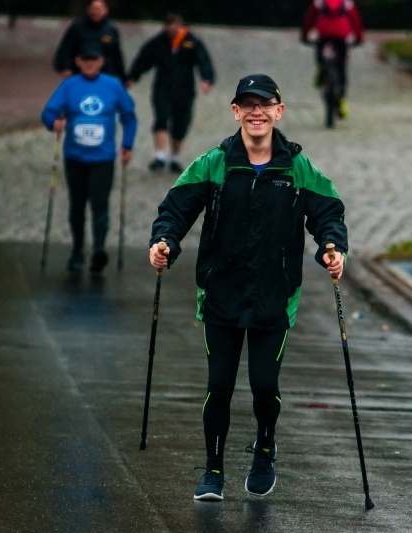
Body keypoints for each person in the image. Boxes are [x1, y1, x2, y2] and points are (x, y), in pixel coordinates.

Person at [147, 74, 348, 502]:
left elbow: (328, 212)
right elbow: (176, 208)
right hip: (220, 293)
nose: (257, 112)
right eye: (248, 104)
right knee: (218, 385)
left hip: (275, 295)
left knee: (263, 385)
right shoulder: (214, 163)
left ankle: (265, 449)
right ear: (236, 111)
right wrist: (164, 241)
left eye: (265, 104)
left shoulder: (297, 168)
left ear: (279, 111)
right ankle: (213, 470)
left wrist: (332, 248)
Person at [41, 41, 137, 275]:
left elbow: (129, 117)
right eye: (85, 60)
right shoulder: (69, 85)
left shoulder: (112, 85)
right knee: (77, 205)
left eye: (94, 60)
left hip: (102, 158)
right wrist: (53, 123)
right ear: (78, 62)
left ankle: (98, 250)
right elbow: (48, 112)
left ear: (101, 62)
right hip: (75, 157)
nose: (90, 64)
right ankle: (76, 251)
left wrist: (127, 144)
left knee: (100, 204)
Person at [126, 13, 215, 174]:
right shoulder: (158, 42)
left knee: (181, 123)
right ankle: (160, 155)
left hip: (185, 89)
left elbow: (203, 60)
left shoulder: (191, 42)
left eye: (174, 24)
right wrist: (132, 76)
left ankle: (175, 157)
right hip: (163, 88)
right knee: (161, 117)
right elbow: (144, 59)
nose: (170, 28)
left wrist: (206, 79)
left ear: (180, 25)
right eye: (167, 25)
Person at [300, 0, 364, 118]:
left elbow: (309, 20)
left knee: (320, 55)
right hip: (341, 35)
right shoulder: (347, 2)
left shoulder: (318, 2)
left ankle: (321, 69)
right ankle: (342, 100)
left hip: (323, 34)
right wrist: (359, 38)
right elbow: (356, 21)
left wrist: (304, 36)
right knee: (341, 67)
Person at [53, 0, 126, 83]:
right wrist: (65, 67)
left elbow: (116, 54)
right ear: (88, 9)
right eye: (94, 9)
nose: (96, 12)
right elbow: (65, 48)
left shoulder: (111, 29)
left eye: (99, 9)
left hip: (105, 73)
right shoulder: (77, 27)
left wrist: (122, 76)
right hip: (79, 72)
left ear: (105, 11)